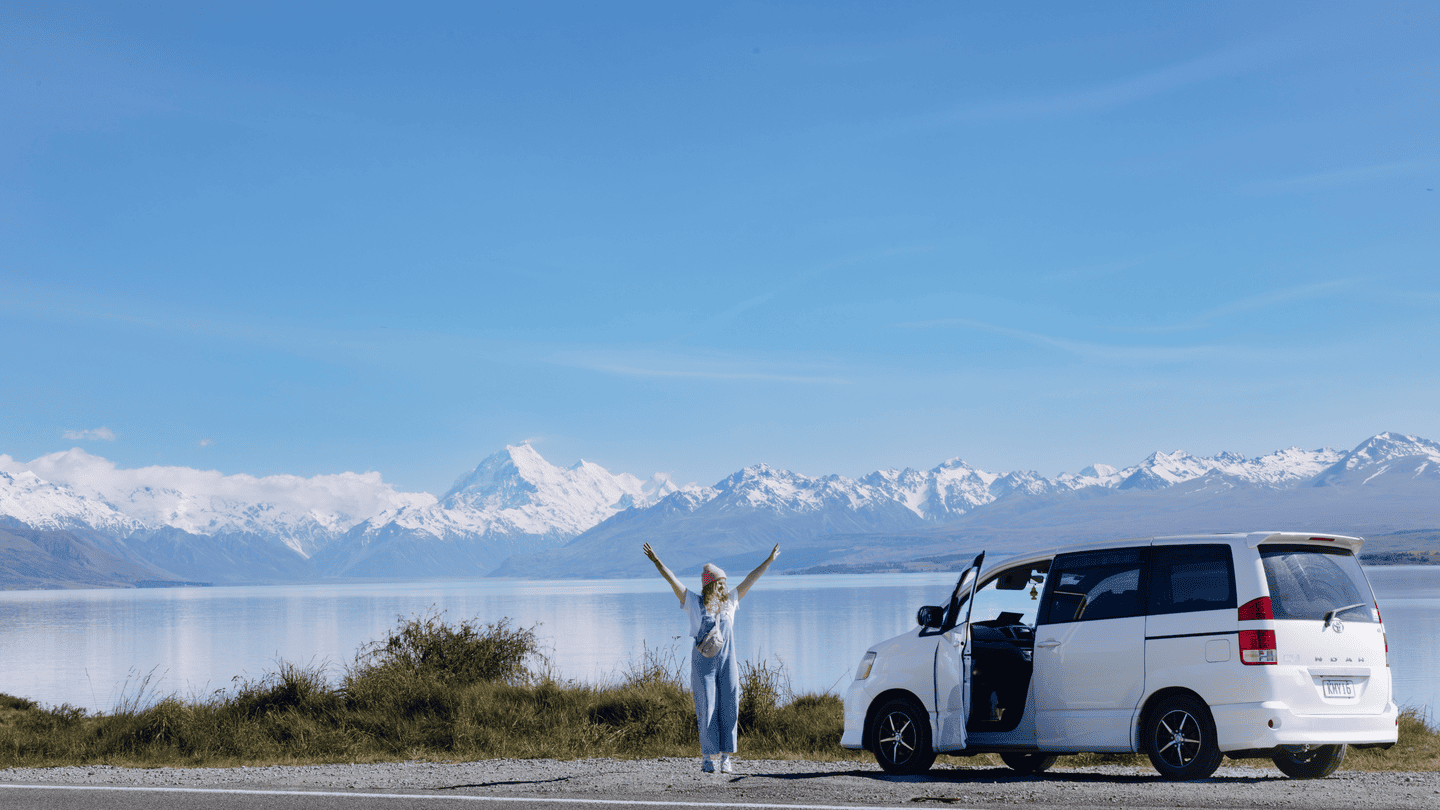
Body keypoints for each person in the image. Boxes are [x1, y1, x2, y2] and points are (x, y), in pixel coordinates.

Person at [642, 541, 781, 773]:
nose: (725, 587)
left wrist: (769, 561)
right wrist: (657, 561)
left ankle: (726, 757)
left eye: (725, 583)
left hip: (728, 663)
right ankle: (708, 758)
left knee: (730, 706)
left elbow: (751, 579)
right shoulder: (693, 603)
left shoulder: (730, 602)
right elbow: (672, 580)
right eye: (721, 583)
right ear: (711, 585)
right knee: (706, 707)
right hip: (703, 665)